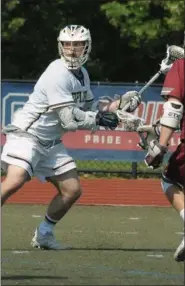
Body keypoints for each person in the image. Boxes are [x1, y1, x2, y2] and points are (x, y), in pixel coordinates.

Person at [1, 25, 141, 250]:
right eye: (67, 44)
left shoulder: (82, 74)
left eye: (77, 44)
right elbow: (68, 120)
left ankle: (44, 234)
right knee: (15, 179)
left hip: (51, 142)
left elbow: (90, 106)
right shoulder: (57, 73)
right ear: (61, 46)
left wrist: (119, 103)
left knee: (72, 190)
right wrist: (99, 119)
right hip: (28, 135)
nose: (72, 49)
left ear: (86, 46)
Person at [137, 57, 185, 262]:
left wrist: (161, 145)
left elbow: (174, 109)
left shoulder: (181, 65)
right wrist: (157, 128)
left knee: (169, 181)